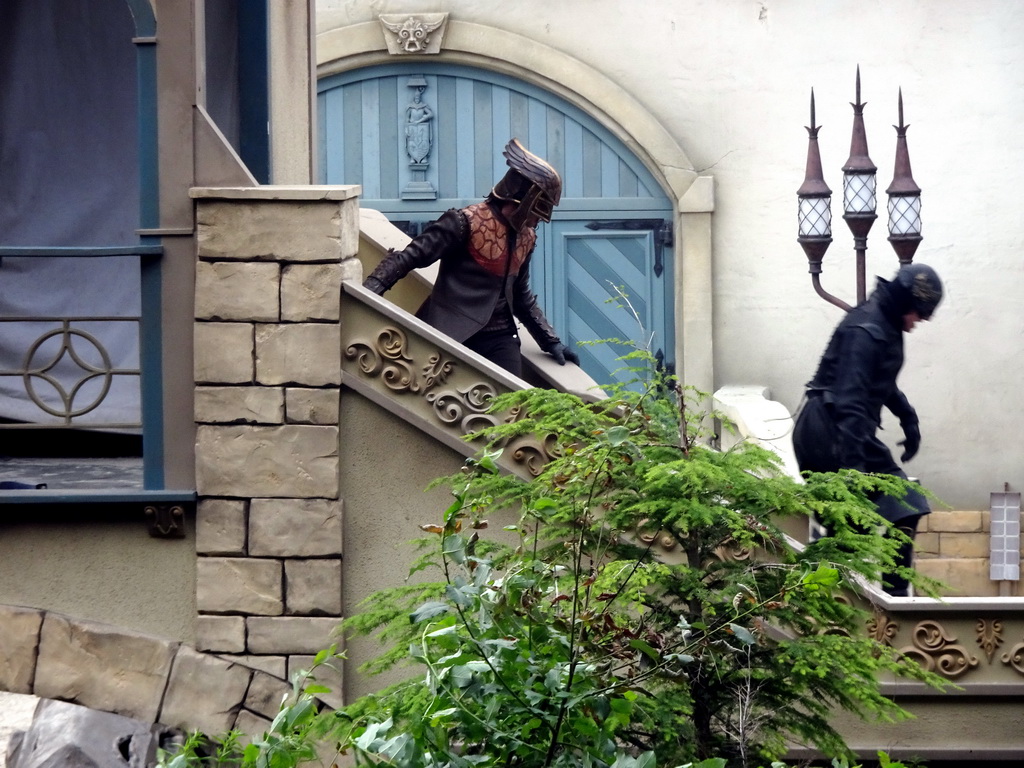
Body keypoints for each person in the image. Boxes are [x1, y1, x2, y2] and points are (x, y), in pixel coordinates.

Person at [363, 138, 579, 377]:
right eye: (540, 208)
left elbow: (519, 294)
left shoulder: (526, 237)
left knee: (514, 408)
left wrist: (550, 341)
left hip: (501, 337)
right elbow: (410, 258)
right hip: (451, 332)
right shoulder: (464, 222)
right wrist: (368, 293)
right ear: (524, 199)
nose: (541, 218)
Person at [793, 263, 943, 596]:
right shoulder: (867, 329)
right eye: (919, 313)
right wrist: (854, 472)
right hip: (829, 432)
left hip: (840, 429)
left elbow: (880, 383)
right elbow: (852, 403)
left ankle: (886, 601)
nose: (919, 321)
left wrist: (908, 418)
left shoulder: (884, 323)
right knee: (854, 526)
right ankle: (851, 604)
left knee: (896, 509)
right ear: (906, 301)